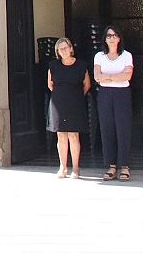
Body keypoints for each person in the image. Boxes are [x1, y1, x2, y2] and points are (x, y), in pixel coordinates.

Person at [92, 25, 134, 182]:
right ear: (105, 38)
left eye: (115, 35)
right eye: (109, 35)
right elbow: (97, 76)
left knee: (123, 128)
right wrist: (116, 76)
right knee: (107, 128)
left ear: (119, 38)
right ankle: (111, 165)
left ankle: (124, 166)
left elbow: (127, 76)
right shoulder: (99, 56)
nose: (112, 38)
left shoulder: (126, 55)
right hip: (105, 95)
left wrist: (107, 76)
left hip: (122, 94)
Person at [45, 37, 89, 179]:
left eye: (65, 48)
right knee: (61, 135)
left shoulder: (81, 65)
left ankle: (75, 169)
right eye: (60, 49)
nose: (64, 51)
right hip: (58, 103)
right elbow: (50, 85)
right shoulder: (53, 65)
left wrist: (75, 95)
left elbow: (86, 85)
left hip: (75, 102)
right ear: (58, 52)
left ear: (71, 48)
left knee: (73, 135)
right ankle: (63, 167)